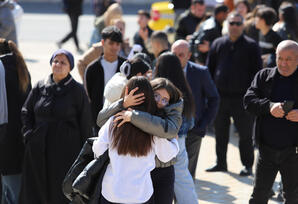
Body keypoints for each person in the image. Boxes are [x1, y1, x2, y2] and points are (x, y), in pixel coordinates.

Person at [20, 49, 93, 204]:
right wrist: (29, 135)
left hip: (65, 153)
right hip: (38, 150)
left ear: (70, 67)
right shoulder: (40, 86)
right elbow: (26, 112)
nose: (58, 65)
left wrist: (84, 155)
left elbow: (85, 123)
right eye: (56, 61)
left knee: (59, 193)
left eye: (63, 62)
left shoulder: (77, 90)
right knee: (36, 191)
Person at [93, 76, 179, 204]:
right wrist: (174, 140)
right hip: (139, 195)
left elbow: (98, 150)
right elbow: (166, 156)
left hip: (111, 192)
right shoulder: (152, 128)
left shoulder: (113, 121)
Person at [206, 12, 262, 176]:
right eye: (232, 23)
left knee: (245, 134)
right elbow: (210, 70)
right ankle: (220, 163)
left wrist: (253, 96)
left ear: (243, 25)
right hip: (220, 97)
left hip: (242, 99)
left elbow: (257, 73)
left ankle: (247, 165)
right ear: (227, 24)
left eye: (238, 23)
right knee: (220, 132)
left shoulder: (251, 45)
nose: (235, 26)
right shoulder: (218, 43)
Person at [244, 40, 298, 204]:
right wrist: (269, 106)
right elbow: (248, 101)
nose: (283, 63)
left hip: (294, 152)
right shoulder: (264, 76)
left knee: (293, 197)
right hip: (266, 149)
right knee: (259, 196)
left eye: (288, 59)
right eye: (280, 58)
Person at [172, 39, 219, 179]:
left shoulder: (200, 72)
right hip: (171, 129)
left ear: (189, 55)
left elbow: (214, 98)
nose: (176, 58)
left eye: (181, 55)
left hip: (194, 129)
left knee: (187, 173)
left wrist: (203, 124)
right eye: (174, 54)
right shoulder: (165, 70)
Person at [155, 53, 198, 204]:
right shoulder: (184, 90)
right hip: (181, 142)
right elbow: (191, 122)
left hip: (161, 142)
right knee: (183, 182)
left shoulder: (158, 91)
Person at [0, 39, 31, 204]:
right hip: (19, 141)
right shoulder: (23, 70)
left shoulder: (2, 70)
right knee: (14, 192)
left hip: (3, 137)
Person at [84, 26, 126, 126]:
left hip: (120, 117)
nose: (115, 47)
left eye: (117, 44)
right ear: (103, 42)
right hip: (98, 118)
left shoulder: (125, 66)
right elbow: (90, 95)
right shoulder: (92, 68)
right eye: (111, 43)